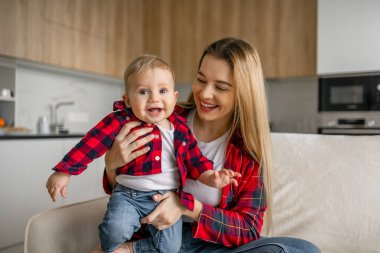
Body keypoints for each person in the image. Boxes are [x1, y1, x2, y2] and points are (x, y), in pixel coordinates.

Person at [98, 38, 321, 253]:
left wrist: (188, 206)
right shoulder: (161, 116)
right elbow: (121, 190)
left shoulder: (246, 151)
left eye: (221, 87)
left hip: (208, 245)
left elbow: (248, 229)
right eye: (201, 80)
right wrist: (110, 165)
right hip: (157, 239)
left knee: (303, 250)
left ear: (243, 94)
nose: (205, 94)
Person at [46, 55, 240, 253]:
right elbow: (90, 144)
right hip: (127, 196)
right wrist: (64, 171)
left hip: (165, 198)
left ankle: (132, 249)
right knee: (115, 230)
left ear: (174, 97)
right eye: (143, 91)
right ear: (127, 100)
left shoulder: (180, 128)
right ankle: (109, 248)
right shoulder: (120, 121)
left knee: (170, 248)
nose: (154, 98)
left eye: (162, 90)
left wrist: (212, 178)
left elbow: (196, 160)